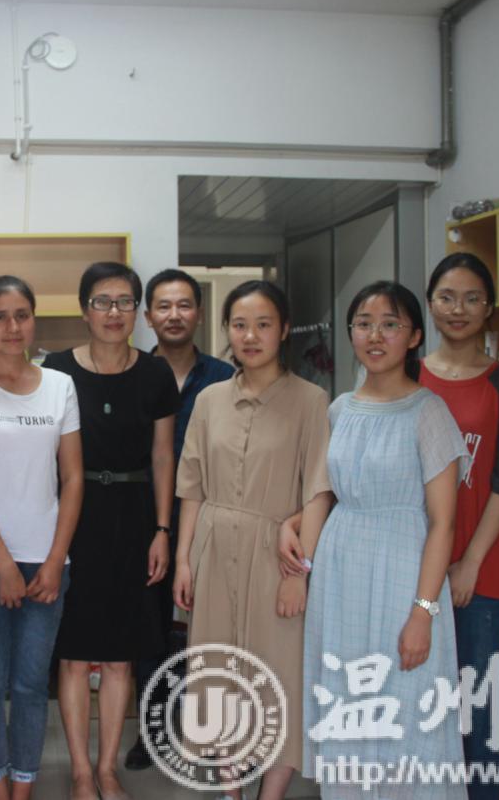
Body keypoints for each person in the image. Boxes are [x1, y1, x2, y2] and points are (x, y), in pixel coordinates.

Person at [288, 280, 469, 799]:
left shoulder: (429, 412)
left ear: (414, 337)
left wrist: (423, 613)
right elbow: (326, 495)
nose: (375, 335)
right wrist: (293, 539)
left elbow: (443, 523)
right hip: (341, 578)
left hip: (403, 577)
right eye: (364, 324)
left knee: (404, 705)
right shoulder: (340, 409)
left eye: (390, 325)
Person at [172, 280, 333, 799]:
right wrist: (184, 561)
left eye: (263, 324)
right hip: (214, 549)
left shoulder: (312, 401)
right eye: (240, 325)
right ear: (226, 330)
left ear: (284, 330)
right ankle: (231, 791)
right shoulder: (209, 399)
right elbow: (192, 487)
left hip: (277, 557)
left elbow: (319, 492)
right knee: (218, 675)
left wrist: (300, 574)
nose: (250, 336)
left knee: (279, 675)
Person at [43, 261, 180, 800]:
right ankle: (81, 771)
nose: (114, 312)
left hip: (135, 516)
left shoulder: (155, 374)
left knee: (122, 654)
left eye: (124, 301)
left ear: (137, 312)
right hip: (73, 518)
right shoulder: (56, 371)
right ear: (85, 310)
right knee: (75, 654)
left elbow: (163, 456)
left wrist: (162, 528)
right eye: (102, 301)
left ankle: (106, 769)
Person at [0, 275, 85, 799]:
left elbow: (73, 478)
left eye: (21, 315)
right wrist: (4, 565)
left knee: (30, 684)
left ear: (34, 321)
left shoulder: (59, 386)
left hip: (47, 562)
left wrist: (54, 561)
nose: (12, 326)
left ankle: (22, 787)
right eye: (0, 317)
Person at [420, 253, 499, 799]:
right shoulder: (409, 375)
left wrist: (469, 562)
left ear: (489, 308)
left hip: (482, 568)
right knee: (420, 707)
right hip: (417, 564)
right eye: (447, 297)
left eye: (472, 298)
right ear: (430, 304)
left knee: (477, 711)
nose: (458, 309)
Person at [125, 268, 234, 772]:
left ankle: (211, 731)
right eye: (164, 307)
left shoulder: (225, 376)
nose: (174, 315)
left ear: (199, 313)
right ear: (148, 317)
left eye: (184, 305)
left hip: (211, 517)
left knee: (210, 628)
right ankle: (153, 733)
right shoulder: (130, 372)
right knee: (149, 628)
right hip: (143, 520)